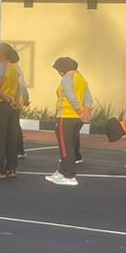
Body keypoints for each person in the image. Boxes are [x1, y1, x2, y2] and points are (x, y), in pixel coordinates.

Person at [48, 57, 94, 186]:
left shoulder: (66, 79)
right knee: (69, 145)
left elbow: (71, 97)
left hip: (66, 116)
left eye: (58, 70)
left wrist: (80, 112)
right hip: (76, 119)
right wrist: (86, 112)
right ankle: (62, 171)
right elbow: (88, 99)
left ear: (62, 69)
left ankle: (69, 175)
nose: (58, 73)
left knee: (65, 147)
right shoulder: (81, 78)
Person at [0, 42, 27, 180]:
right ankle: (11, 168)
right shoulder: (15, 70)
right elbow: (19, 88)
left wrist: (8, 100)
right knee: (11, 138)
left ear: (2, 53)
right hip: (12, 106)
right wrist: (15, 102)